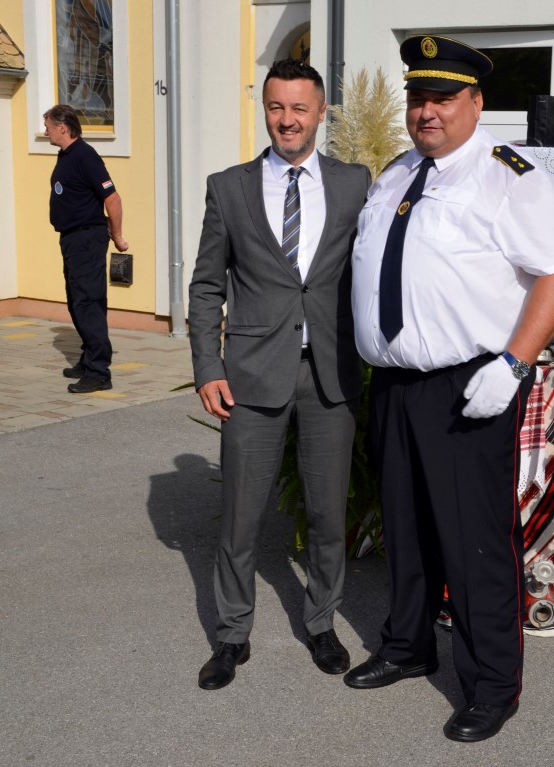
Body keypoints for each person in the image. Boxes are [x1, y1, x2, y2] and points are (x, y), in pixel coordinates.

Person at [344, 35, 554, 742]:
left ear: (475, 102)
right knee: (405, 525)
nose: (427, 111)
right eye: (418, 97)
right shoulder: (396, 173)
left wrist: (512, 365)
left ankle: (492, 683)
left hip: (468, 385)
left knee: (474, 541)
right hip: (394, 383)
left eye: (443, 98)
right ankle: (407, 645)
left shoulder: (510, 178)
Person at [188, 59, 371, 690]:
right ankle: (231, 635)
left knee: (327, 515)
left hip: (330, 375)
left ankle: (321, 622)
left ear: (321, 113)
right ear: (264, 109)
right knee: (241, 517)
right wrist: (207, 366)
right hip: (250, 375)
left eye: (299, 108)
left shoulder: (355, 183)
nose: (287, 120)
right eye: (276, 107)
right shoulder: (228, 187)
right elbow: (206, 285)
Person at [43, 104, 128, 394]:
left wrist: (118, 236)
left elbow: (112, 198)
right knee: (77, 301)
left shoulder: (85, 155)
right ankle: (89, 357)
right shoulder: (67, 155)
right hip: (72, 239)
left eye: (48, 127)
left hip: (87, 239)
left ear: (63, 127)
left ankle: (98, 372)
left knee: (88, 302)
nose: (46, 132)